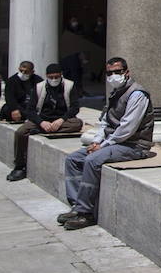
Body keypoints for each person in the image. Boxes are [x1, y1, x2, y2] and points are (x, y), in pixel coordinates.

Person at [59, 58, 155, 231]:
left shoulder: (137, 94)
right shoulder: (114, 93)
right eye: (109, 73)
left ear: (127, 72)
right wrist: (96, 141)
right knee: (73, 159)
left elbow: (128, 128)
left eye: (117, 72)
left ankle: (86, 213)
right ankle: (77, 206)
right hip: (111, 144)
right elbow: (105, 121)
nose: (113, 76)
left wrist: (103, 146)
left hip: (134, 146)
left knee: (92, 160)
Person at [7, 64, 83, 182]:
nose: (54, 80)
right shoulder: (39, 87)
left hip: (61, 120)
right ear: (47, 76)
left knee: (77, 124)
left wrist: (61, 120)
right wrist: (41, 122)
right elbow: (30, 110)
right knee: (20, 132)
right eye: (51, 77)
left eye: (56, 77)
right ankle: (19, 165)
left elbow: (75, 108)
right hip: (42, 119)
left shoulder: (69, 86)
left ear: (61, 75)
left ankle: (42, 130)